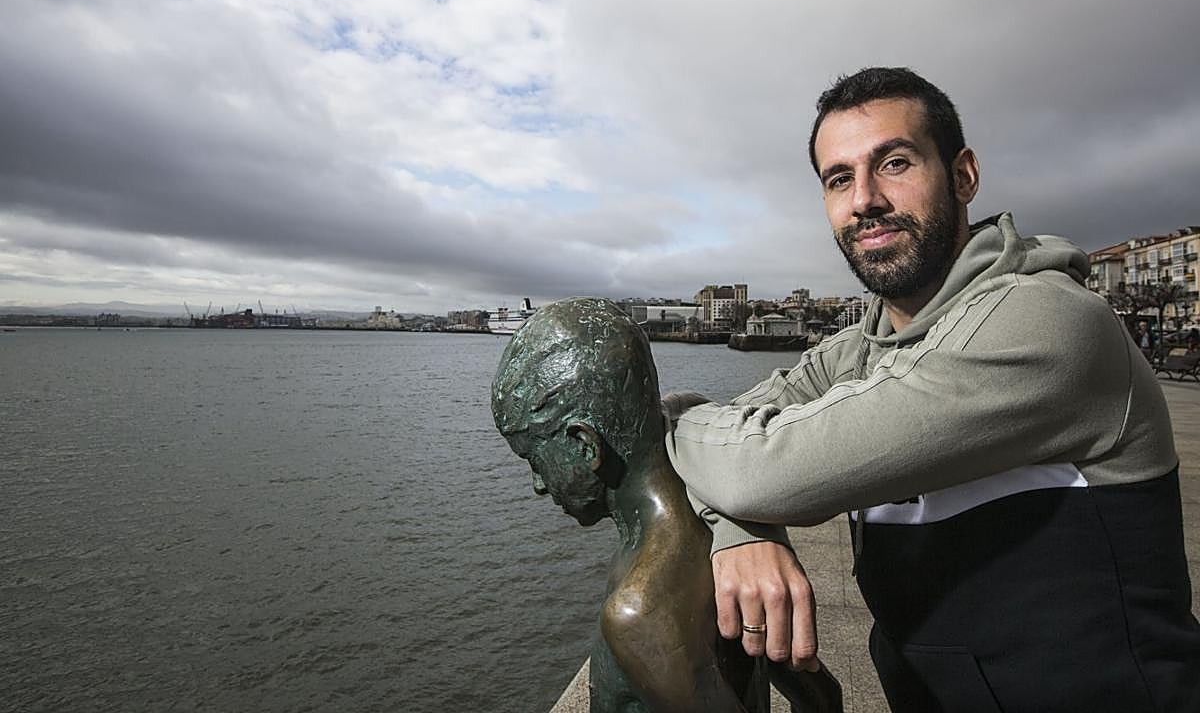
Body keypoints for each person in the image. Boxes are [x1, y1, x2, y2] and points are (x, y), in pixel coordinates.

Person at [664, 67, 1200, 711]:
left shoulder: (1049, 323)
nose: (864, 199)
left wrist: (697, 441)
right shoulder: (858, 349)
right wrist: (740, 531)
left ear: (964, 175)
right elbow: (719, 431)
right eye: (839, 179)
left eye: (893, 163)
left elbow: (761, 466)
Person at [491, 297, 842, 713]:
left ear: (585, 446)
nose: (537, 485)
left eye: (534, 460)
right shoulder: (713, 518)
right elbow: (823, 697)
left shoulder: (640, 612)